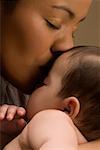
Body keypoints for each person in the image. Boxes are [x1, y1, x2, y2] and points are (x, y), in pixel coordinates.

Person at [1, 0, 100, 149]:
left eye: (74, 31)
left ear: (69, 108)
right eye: (53, 23)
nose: (67, 46)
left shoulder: (49, 117)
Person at [2, 46, 100, 150]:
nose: (33, 89)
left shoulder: (52, 119)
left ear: (67, 109)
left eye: (43, 83)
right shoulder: (72, 137)